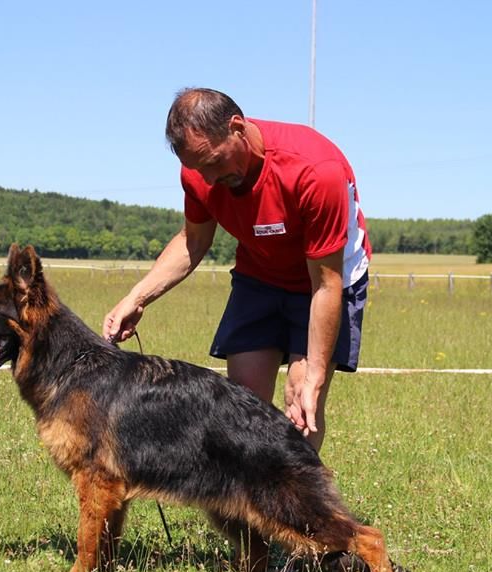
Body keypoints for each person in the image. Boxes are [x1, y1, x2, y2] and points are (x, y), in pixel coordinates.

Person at [104, 87, 371, 453]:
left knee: (300, 400)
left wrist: (315, 375)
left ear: (237, 127)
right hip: (259, 274)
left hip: (323, 281)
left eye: (213, 163)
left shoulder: (314, 171)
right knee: (241, 406)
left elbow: (325, 284)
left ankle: (296, 506)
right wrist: (136, 297)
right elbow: (192, 241)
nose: (209, 179)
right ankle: (246, 507)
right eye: (198, 168)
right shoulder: (199, 173)